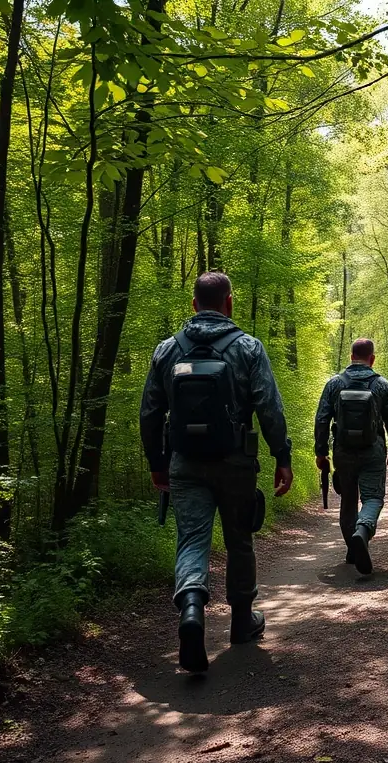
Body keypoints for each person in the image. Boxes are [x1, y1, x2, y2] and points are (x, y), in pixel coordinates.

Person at [140, 271, 294, 674]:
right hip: (235, 462)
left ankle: (192, 608)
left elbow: (150, 412)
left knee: (192, 539)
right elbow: (269, 407)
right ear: (229, 303)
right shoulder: (248, 347)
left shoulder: (168, 349)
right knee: (240, 539)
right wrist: (282, 456)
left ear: (194, 305)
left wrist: (157, 464)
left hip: (185, 463)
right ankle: (242, 622)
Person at [314, 338, 388, 575]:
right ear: (372, 359)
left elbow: (322, 419)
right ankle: (362, 530)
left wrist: (321, 452)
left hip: (343, 452)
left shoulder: (334, 383)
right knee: (373, 497)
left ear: (351, 357)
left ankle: (352, 549)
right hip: (373, 450)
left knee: (348, 500)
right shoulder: (382, 384)